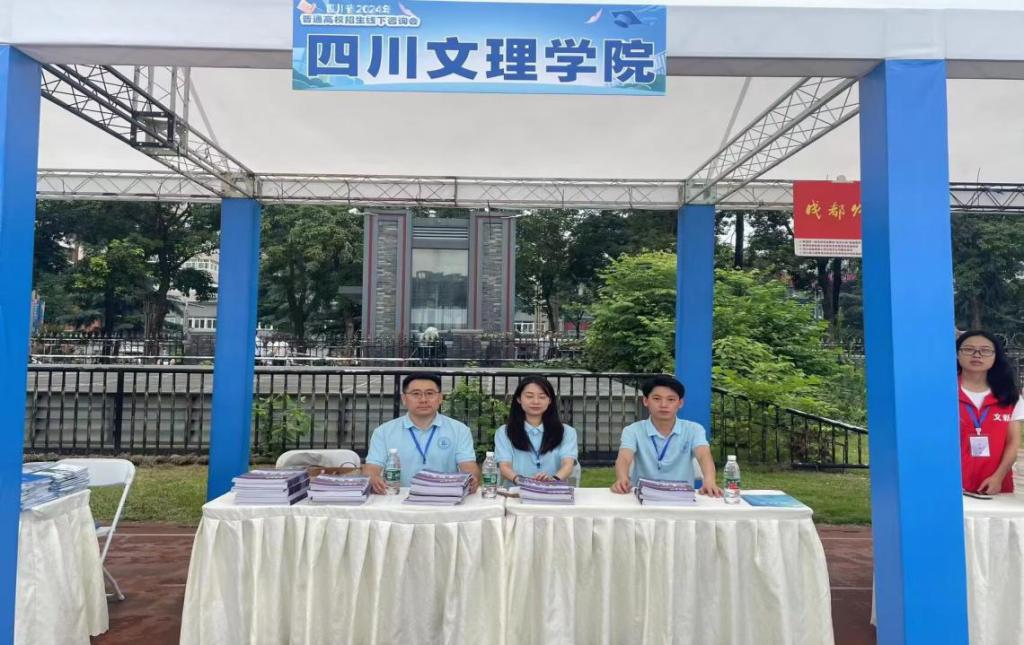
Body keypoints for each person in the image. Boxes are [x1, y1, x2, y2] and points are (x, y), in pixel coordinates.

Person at [364, 373, 480, 494]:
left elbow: (468, 465)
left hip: (445, 496)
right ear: (404, 399)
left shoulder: (459, 430)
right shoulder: (383, 432)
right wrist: (373, 478)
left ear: (440, 398)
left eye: (430, 393)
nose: (423, 400)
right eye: (416, 394)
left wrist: (472, 478)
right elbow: (372, 467)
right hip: (398, 497)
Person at [610, 374, 722, 496]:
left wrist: (710, 481)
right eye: (657, 399)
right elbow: (624, 457)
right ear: (646, 401)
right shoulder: (632, 430)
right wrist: (622, 478)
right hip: (643, 496)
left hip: (681, 496)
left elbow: (703, 455)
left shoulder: (694, 429)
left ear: (680, 403)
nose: (663, 405)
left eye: (671, 399)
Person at [956, 330, 1023, 494]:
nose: (977, 355)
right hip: (952, 485)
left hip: (995, 487)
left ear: (995, 356)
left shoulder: (1009, 395)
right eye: (969, 349)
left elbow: (1013, 442)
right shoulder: (943, 393)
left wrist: (998, 477)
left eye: (985, 350)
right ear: (957, 354)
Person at [494, 376, 578, 485]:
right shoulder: (504, 432)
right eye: (529, 396)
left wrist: (551, 481)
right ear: (519, 399)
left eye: (542, 397)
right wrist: (525, 483)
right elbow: (504, 467)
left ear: (550, 400)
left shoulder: (567, 432)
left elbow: (568, 465)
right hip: (517, 491)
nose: (536, 401)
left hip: (553, 490)